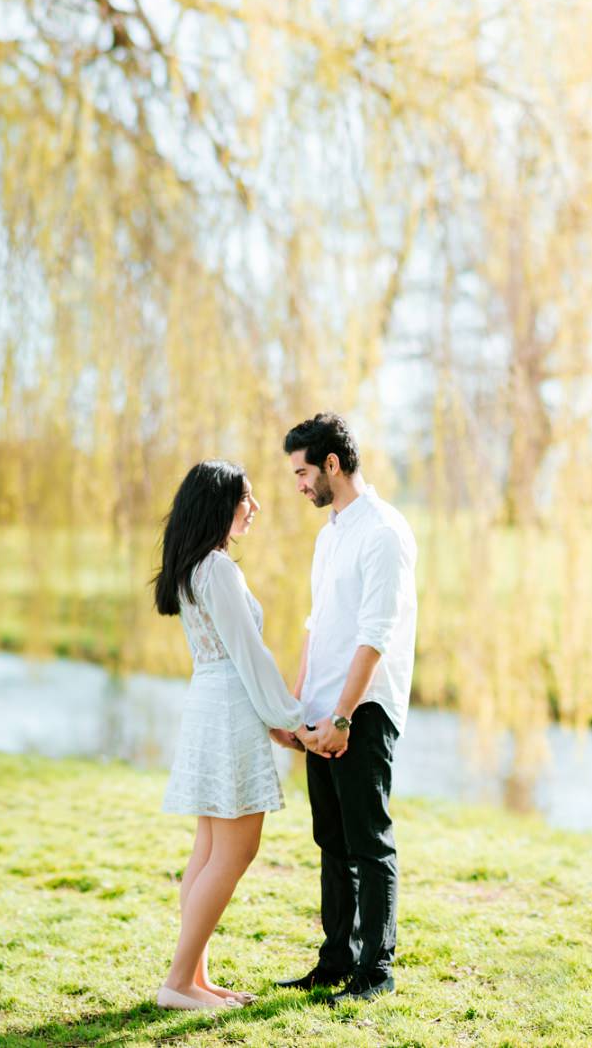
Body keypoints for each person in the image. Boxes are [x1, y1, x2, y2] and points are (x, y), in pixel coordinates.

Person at [153, 459, 321, 1011]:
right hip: (228, 707)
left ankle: (194, 978)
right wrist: (290, 719)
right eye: (246, 497)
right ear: (219, 503)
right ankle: (179, 982)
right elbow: (249, 653)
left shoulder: (194, 567)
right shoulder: (217, 569)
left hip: (211, 702)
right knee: (237, 849)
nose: (256, 506)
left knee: (208, 850)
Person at [273, 413, 418, 1004]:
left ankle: (375, 972)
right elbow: (317, 626)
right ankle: (336, 960)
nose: (299, 484)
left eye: (303, 472)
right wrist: (297, 708)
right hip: (321, 710)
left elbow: (375, 635)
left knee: (368, 841)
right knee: (330, 840)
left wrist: (341, 717)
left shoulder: (384, 532)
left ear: (332, 464)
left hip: (363, 710)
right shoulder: (329, 533)